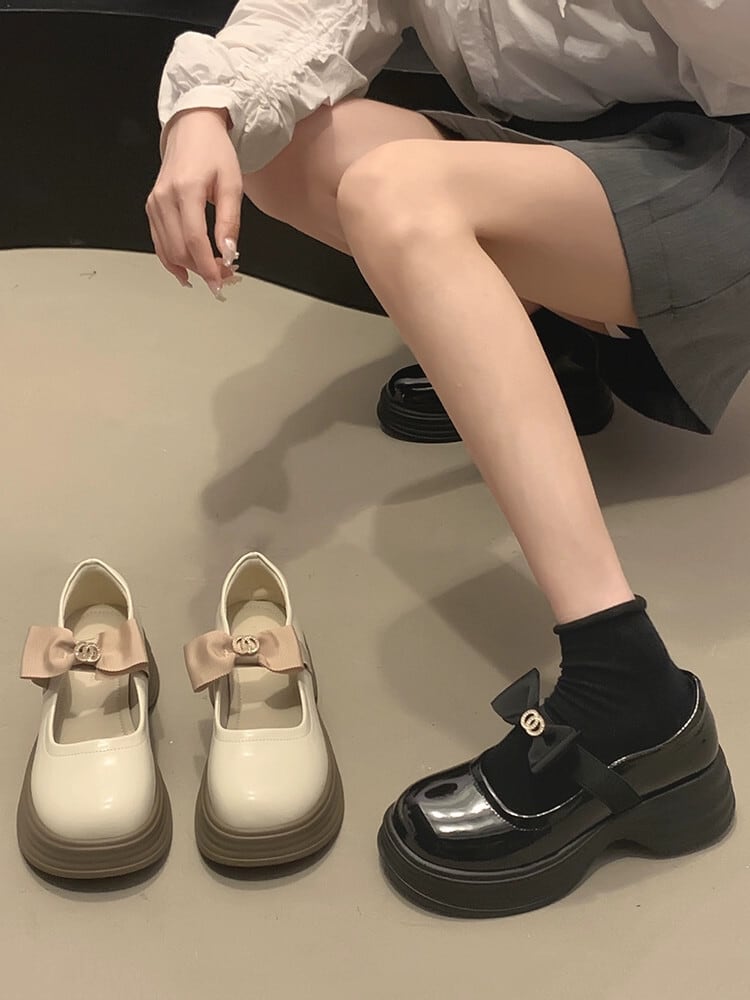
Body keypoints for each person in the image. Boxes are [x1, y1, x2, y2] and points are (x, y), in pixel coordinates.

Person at [147, 2, 743, 916]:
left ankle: (633, 694)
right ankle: (552, 352)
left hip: (717, 165)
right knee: (280, 149)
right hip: (567, 159)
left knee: (397, 193)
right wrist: (204, 112)